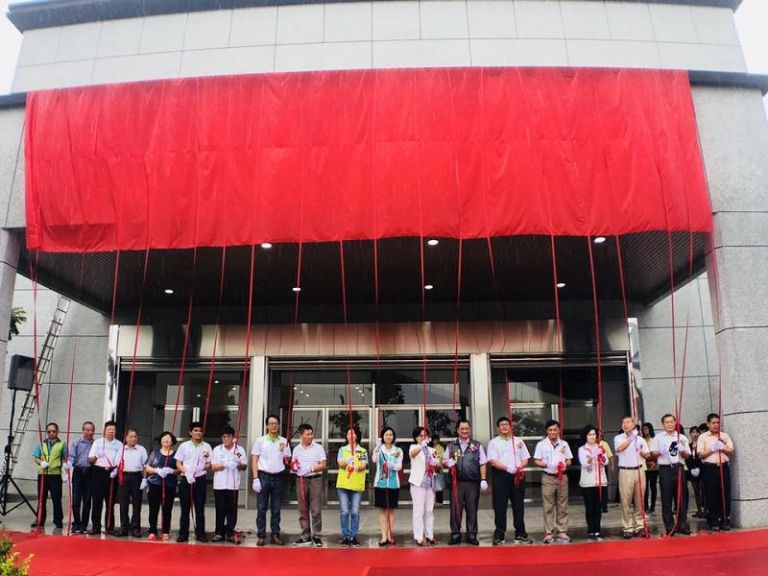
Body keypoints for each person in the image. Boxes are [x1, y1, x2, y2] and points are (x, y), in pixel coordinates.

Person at [443, 419, 488, 546]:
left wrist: (483, 479)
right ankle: (455, 534)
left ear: (470, 429)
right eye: (462, 429)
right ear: (457, 430)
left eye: (467, 428)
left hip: (472, 483)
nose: (464, 431)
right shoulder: (451, 445)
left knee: (472, 508)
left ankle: (471, 534)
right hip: (456, 482)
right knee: (455, 509)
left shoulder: (477, 445)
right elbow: (444, 460)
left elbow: (483, 463)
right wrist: (448, 462)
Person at [487, 416, 531, 545]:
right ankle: (499, 534)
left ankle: (521, 533)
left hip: (517, 476)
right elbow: (493, 461)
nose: (505, 427)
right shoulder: (493, 442)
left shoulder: (518, 441)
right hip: (501, 476)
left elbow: (525, 459)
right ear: (498, 428)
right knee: (500, 506)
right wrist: (507, 468)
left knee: (518, 505)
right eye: (502, 425)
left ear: (511, 426)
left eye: (507, 424)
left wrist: (518, 467)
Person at [251, 414, 291, 546]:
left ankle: (275, 534)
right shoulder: (260, 440)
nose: (273, 426)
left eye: (276, 423)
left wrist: (285, 454)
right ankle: (261, 535)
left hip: (278, 476)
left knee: (276, 508)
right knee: (261, 507)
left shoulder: (284, 441)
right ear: (267, 425)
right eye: (271, 423)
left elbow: (288, 460)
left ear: (279, 425)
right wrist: (255, 478)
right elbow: (255, 459)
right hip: (264, 476)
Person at [650, 414, 691, 536]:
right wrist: (659, 452)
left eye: (671, 422)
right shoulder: (658, 438)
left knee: (681, 498)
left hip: (679, 469)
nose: (669, 424)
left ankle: (682, 525)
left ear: (675, 423)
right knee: (666, 499)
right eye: (666, 422)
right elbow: (651, 455)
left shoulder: (681, 437)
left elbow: (687, 456)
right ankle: (669, 526)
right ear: (663, 424)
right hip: (665, 470)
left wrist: (682, 449)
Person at [533, 419, 573, 544]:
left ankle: (562, 530)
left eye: (555, 430)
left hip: (562, 477)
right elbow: (536, 460)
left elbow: (569, 460)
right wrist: (547, 464)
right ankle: (549, 532)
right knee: (548, 505)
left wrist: (564, 464)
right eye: (550, 430)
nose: (553, 432)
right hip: (548, 477)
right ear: (547, 431)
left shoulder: (564, 444)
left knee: (563, 504)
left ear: (558, 430)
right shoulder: (541, 444)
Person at [175, 421, 212, 543]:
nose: (198, 433)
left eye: (200, 431)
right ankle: (183, 533)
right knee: (185, 508)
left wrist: (202, 468)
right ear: (190, 432)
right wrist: (187, 473)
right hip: (187, 479)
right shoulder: (184, 446)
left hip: (200, 479)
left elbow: (209, 463)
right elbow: (178, 463)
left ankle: (200, 533)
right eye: (195, 430)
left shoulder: (206, 446)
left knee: (200, 508)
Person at [291, 423, 327, 547]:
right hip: (301, 480)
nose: (310, 436)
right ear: (301, 435)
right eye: (308, 434)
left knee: (316, 509)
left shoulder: (318, 448)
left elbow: (323, 465)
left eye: (311, 434)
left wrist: (312, 468)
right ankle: (305, 535)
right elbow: (293, 465)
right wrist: (294, 468)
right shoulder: (296, 449)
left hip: (315, 479)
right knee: (303, 508)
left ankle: (316, 535)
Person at [614, 416, 650, 539]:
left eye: (628, 422)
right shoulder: (618, 438)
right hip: (625, 471)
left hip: (639, 470)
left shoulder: (640, 439)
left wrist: (644, 453)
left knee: (640, 500)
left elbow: (646, 454)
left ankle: (640, 526)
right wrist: (631, 438)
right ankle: (628, 527)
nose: (626, 424)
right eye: (623, 422)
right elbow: (619, 449)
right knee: (626, 501)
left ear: (634, 424)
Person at [698, 413, 735, 531]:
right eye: (713, 423)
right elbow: (701, 454)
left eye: (718, 423)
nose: (716, 425)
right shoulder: (703, 437)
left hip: (723, 467)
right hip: (710, 468)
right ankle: (713, 519)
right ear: (708, 424)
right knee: (711, 493)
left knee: (725, 493)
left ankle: (725, 519)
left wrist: (722, 447)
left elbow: (731, 451)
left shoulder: (724, 436)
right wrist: (712, 448)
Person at [211, 426, 248, 543]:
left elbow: (244, 466)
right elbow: (213, 466)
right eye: (224, 437)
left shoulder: (239, 450)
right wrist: (225, 464)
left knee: (231, 510)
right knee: (220, 509)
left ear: (233, 437)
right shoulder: (217, 449)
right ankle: (219, 532)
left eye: (229, 436)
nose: (226, 439)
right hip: (219, 484)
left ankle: (230, 532)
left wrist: (237, 463)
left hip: (233, 484)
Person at [88, 420, 123, 535]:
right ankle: (96, 527)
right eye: (109, 430)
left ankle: (109, 527)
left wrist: (116, 470)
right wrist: (97, 456)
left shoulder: (119, 444)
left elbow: (119, 461)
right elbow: (90, 459)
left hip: (112, 473)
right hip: (98, 472)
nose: (111, 432)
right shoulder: (98, 442)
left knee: (110, 502)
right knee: (97, 501)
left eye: (113, 430)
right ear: (104, 430)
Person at [336, 426, 368, 547]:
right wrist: (348, 460)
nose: (351, 436)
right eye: (349, 433)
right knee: (344, 511)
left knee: (355, 511)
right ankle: (345, 536)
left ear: (357, 436)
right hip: (343, 484)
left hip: (356, 485)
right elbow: (340, 464)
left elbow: (364, 465)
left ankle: (353, 536)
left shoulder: (362, 451)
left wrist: (357, 466)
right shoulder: (342, 450)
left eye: (353, 434)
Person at [32, 422, 67, 530]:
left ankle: (58, 521)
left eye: (53, 431)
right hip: (43, 474)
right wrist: (40, 462)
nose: (51, 433)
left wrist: (66, 471)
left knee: (56, 499)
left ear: (57, 432)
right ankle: (40, 520)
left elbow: (66, 459)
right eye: (49, 431)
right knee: (41, 499)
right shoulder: (41, 444)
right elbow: (36, 457)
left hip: (55, 475)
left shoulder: (62, 445)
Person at [144, 431, 178, 541]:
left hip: (170, 485)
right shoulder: (155, 453)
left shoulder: (176, 454)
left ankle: (165, 530)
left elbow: (179, 469)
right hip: (155, 484)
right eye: (164, 439)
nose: (166, 441)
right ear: (161, 441)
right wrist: (157, 470)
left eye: (168, 439)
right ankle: (152, 530)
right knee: (153, 508)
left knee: (167, 509)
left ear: (172, 441)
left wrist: (172, 471)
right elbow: (147, 467)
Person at [373, 426, 402, 547]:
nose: (388, 436)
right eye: (386, 435)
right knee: (382, 510)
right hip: (380, 483)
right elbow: (374, 460)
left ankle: (390, 534)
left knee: (391, 510)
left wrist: (392, 465)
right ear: (382, 437)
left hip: (393, 483)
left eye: (390, 434)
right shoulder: (379, 449)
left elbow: (399, 466)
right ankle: (383, 535)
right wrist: (376, 449)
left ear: (393, 436)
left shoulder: (398, 450)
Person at [409, 426, 437, 547]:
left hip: (430, 483)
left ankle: (429, 534)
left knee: (429, 510)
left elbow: (437, 464)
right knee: (418, 511)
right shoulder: (414, 447)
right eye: (420, 436)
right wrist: (421, 445)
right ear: (416, 437)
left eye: (425, 435)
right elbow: (412, 454)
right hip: (418, 483)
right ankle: (419, 536)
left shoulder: (432, 450)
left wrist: (437, 462)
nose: (423, 437)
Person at [579, 425, 608, 540]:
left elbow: (605, 462)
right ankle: (590, 529)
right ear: (586, 436)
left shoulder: (600, 447)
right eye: (590, 434)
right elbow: (585, 464)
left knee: (598, 507)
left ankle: (597, 529)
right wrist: (592, 454)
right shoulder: (582, 449)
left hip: (600, 482)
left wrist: (601, 455)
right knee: (590, 507)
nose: (592, 437)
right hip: (588, 483)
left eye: (594, 434)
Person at [68, 421, 95, 534]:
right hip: (78, 472)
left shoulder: (96, 444)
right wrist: (69, 464)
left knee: (87, 501)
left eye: (91, 430)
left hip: (90, 472)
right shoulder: (76, 443)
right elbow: (72, 457)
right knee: (76, 500)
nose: (89, 432)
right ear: (83, 430)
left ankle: (84, 524)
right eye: (87, 430)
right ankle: (76, 523)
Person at [687, 425, 705, 518]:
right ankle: (699, 510)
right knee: (696, 491)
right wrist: (691, 469)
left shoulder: (701, 445)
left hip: (701, 471)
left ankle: (705, 509)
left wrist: (699, 468)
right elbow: (687, 459)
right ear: (690, 434)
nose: (695, 434)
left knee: (703, 490)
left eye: (697, 432)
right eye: (693, 432)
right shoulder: (688, 446)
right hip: (692, 471)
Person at [642, 422, 658, 513]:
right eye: (643, 429)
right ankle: (645, 506)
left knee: (653, 486)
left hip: (654, 465)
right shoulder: (641, 440)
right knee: (645, 487)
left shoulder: (654, 440)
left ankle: (653, 506)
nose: (645, 431)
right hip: (644, 465)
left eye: (646, 429)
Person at [596, 429, 614, 514]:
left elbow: (610, 456)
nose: (600, 437)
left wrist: (612, 465)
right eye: (598, 435)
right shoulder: (592, 444)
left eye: (601, 435)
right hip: (594, 468)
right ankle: (598, 505)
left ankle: (604, 506)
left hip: (603, 466)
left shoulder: (604, 444)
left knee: (604, 487)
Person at [430, 434, 446, 505]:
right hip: (431, 468)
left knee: (439, 485)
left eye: (436, 440)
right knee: (432, 485)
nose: (435, 441)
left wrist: (439, 466)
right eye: (434, 440)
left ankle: (439, 501)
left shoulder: (440, 448)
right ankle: (432, 500)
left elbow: (442, 458)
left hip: (438, 468)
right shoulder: (430, 447)